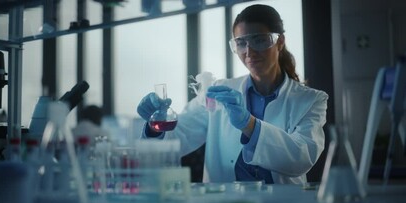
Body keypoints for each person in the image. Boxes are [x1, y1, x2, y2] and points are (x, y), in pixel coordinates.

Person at [136, 4, 328, 184]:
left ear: (279, 42)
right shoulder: (218, 92)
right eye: (241, 43)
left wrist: (250, 125)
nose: (249, 51)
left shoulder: (311, 99)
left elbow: (302, 157)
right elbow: (179, 138)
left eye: (259, 40)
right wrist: (155, 125)